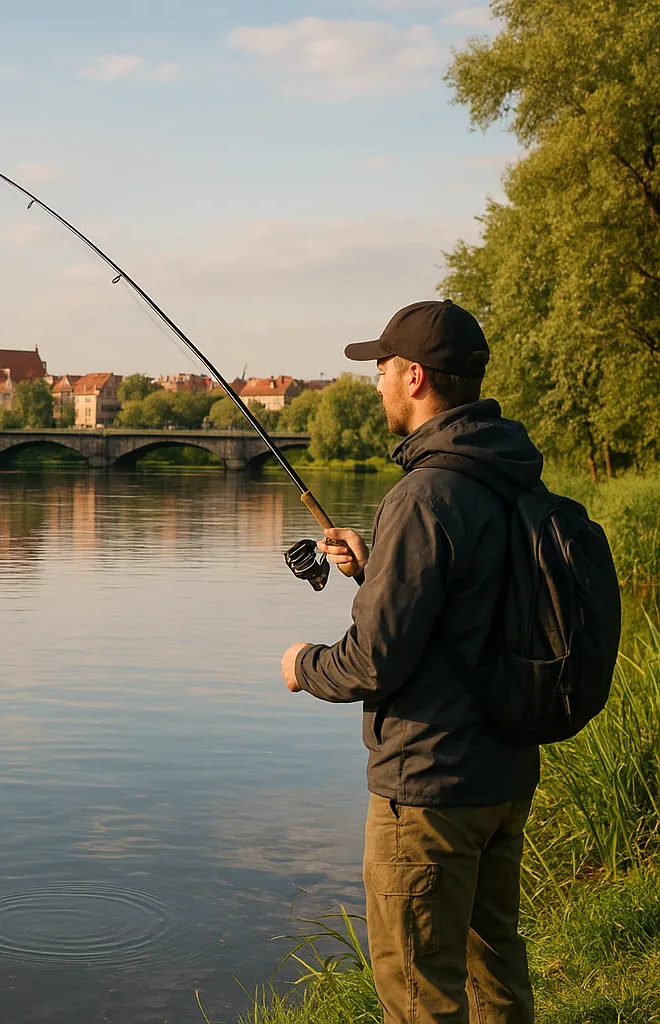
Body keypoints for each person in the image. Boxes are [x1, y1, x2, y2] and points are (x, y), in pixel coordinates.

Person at [280, 299, 543, 1024]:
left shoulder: (423, 494)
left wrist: (305, 665)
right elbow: (470, 614)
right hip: (504, 773)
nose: (376, 384)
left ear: (416, 376)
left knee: (422, 996)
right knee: (497, 974)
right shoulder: (509, 474)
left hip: (430, 788)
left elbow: (373, 661)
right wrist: (375, 571)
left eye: (383, 369)